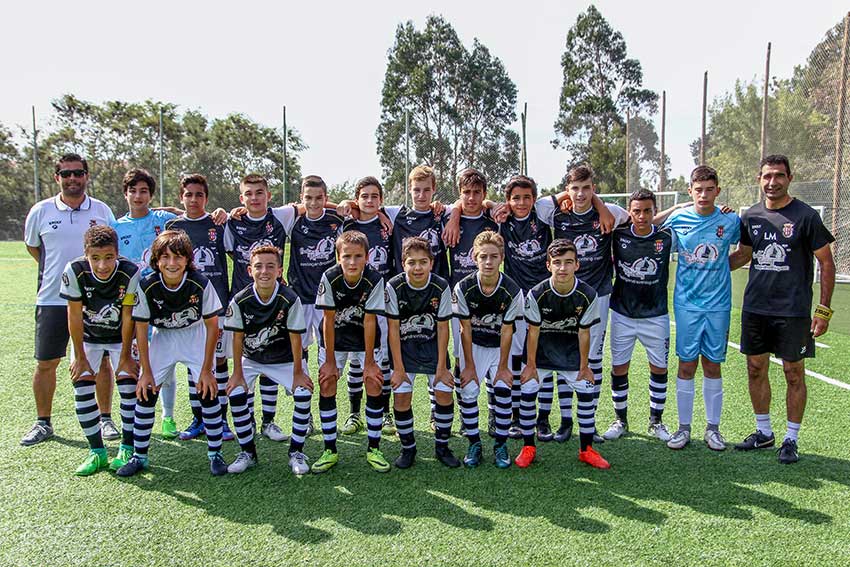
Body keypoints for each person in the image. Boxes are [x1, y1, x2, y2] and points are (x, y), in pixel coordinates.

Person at [730, 154, 836, 464]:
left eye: (778, 175)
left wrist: (823, 310)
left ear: (789, 178)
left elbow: (826, 262)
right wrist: (707, 266)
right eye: (767, 176)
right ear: (759, 179)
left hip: (793, 310)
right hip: (756, 308)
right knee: (755, 368)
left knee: (793, 372)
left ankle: (791, 438)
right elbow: (742, 256)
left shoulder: (805, 216)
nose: (772, 182)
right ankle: (764, 433)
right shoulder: (750, 216)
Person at [22, 153, 116, 446]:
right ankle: (43, 422)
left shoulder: (101, 210)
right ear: (57, 178)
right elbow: (34, 249)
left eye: (78, 173)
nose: (72, 179)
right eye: (66, 174)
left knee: (100, 361)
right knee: (47, 362)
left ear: (87, 176)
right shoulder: (40, 211)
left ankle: (105, 419)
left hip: (95, 303)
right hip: (52, 299)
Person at [116, 230, 226, 477]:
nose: (172, 263)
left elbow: (212, 326)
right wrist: (145, 371)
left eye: (178, 257)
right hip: (163, 338)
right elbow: (141, 329)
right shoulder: (147, 284)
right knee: (146, 393)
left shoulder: (200, 282)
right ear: (156, 260)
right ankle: (139, 455)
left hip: (194, 335)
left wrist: (208, 369)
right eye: (165, 257)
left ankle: (215, 454)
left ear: (188, 259)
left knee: (208, 392)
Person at [662, 165, 742, 451]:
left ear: (718, 191)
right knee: (686, 364)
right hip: (686, 305)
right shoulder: (679, 218)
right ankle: (683, 429)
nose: (704, 195)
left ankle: (713, 429)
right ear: (690, 191)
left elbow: (744, 250)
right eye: (698, 190)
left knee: (712, 364)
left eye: (710, 190)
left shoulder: (730, 221)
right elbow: (651, 230)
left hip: (718, 305)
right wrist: (678, 206)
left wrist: (721, 268)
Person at [544, 165, 626, 441]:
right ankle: (566, 421)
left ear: (594, 188)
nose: (580, 194)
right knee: (565, 355)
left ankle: (587, 422)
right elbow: (532, 202)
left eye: (586, 188)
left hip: (598, 295)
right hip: (565, 295)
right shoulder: (556, 213)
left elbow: (642, 221)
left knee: (592, 358)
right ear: (566, 190)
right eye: (574, 188)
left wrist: (600, 206)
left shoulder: (611, 213)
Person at [224, 245, 313, 475]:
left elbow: (296, 338)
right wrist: (237, 373)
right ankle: (248, 452)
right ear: (249, 270)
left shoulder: (289, 298)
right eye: (259, 266)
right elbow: (237, 337)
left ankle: (296, 452)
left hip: (284, 359)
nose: (264, 271)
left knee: (303, 393)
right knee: (234, 392)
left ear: (279, 271)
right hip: (252, 358)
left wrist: (297, 372)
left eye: (270, 266)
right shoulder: (240, 300)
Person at [59, 226, 140, 475]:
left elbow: (128, 316)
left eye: (108, 257)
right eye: (95, 258)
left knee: (129, 387)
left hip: (120, 338)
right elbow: (73, 314)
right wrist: (80, 356)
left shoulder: (130, 272)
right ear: (86, 254)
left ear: (117, 253)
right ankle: (97, 452)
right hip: (88, 338)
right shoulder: (74, 270)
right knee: (82, 387)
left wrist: (125, 356)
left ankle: (126, 447)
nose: (102, 265)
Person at [522, 239, 609, 469]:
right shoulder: (537, 293)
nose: (563, 268)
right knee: (528, 391)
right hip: (540, 353)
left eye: (568, 262)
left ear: (577, 265)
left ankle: (586, 449)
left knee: (586, 392)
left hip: (570, 354)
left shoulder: (588, 294)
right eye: (557, 263)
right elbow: (533, 332)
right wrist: (530, 365)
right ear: (548, 265)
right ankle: (528, 447)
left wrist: (584, 366)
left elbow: (584, 333)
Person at [602, 188, 676, 442]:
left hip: (656, 315)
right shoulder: (618, 234)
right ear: (629, 212)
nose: (642, 216)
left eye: (647, 211)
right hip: (622, 313)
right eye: (637, 211)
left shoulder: (667, 237)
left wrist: (680, 207)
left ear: (655, 212)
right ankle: (620, 419)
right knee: (619, 367)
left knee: (659, 367)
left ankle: (656, 421)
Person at [112, 169, 181, 439]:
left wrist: (164, 208)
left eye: (144, 191)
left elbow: (186, 213)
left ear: (151, 195)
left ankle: (168, 416)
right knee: (132, 356)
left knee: (164, 357)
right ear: (125, 193)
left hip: (161, 298)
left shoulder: (163, 220)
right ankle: (134, 417)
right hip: (130, 300)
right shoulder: (117, 226)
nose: (138, 196)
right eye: (133, 191)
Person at [312, 231, 388, 473]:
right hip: (335, 338)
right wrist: (330, 361)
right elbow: (328, 319)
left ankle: (374, 448)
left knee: (374, 381)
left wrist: (369, 362)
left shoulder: (375, 278)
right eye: (346, 256)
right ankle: (330, 450)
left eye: (358, 256)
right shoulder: (329, 277)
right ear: (338, 257)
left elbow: (369, 320)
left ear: (367, 257)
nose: (352, 262)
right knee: (327, 381)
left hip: (365, 337)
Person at [223, 174, 292, 442]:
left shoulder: (281, 217)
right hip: (242, 303)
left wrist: (346, 205)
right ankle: (248, 420)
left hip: (274, 301)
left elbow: (309, 204)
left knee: (270, 357)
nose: (254, 198)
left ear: (268, 195)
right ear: (241, 198)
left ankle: (269, 421)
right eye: (249, 193)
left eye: (259, 192)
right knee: (245, 361)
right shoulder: (232, 223)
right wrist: (222, 212)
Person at [166, 174, 234, 442]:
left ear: (206, 198)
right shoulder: (173, 226)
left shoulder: (218, 224)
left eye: (199, 195)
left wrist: (227, 212)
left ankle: (222, 419)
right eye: (188, 195)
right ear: (181, 197)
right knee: (194, 364)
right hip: (186, 306)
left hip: (217, 304)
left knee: (218, 361)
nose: (193, 200)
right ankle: (199, 418)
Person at [453, 231, 525, 468]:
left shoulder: (512, 290)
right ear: (474, 257)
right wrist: (470, 366)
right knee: (469, 390)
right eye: (483, 256)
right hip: (472, 345)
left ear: (502, 258)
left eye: (494, 256)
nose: (488, 262)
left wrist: (503, 367)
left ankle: (500, 444)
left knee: (503, 390)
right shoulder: (463, 287)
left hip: (499, 347)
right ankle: (474, 443)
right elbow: (465, 329)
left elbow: (507, 331)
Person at [385, 237, 458, 468]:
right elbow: (393, 328)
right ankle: (408, 449)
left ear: (431, 262)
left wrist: (441, 368)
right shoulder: (394, 286)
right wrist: (398, 368)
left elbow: (443, 326)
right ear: (403, 263)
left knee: (444, 392)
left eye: (423, 262)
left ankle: (442, 447)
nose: (417, 268)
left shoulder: (441, 286)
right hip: (403, 352)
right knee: (402, 397)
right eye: (412, 262)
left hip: (433, 349)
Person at [442, 168, 499, 435]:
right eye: (466, 193)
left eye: (477, 193)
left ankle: (492, 414)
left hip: (490, 297)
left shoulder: (493, 219)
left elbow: (497, 206)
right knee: (459, 355)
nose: (472, 198)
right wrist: (454, 215)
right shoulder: (448, 218)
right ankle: (464, 416)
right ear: (459, 194)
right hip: (458, 298)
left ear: (484, 194)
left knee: (489, 352)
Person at [341, 177, 395, 435]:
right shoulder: (348, 224)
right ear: (357, 199)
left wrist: (383, 214)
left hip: (382, 299)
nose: (370, 201)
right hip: (353, 300)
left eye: (375, 196)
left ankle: (384, 413)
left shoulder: (389, 222)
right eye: (365, 196)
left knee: (380, 358)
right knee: (355, 357)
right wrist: (346, 204)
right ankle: (353, 413)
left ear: (381, 200)